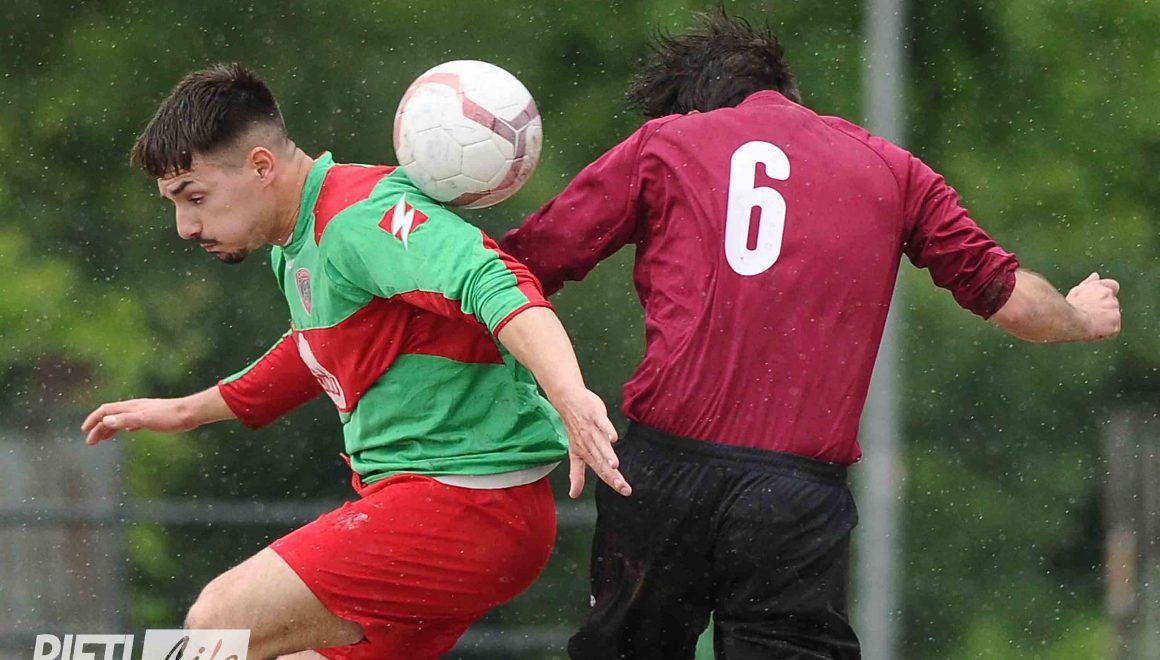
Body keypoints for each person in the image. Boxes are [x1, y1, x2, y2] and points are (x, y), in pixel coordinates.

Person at [499, 13, 1122, 660]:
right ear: (787, 91)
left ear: (696, 107)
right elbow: (1008, 299)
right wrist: (1078, 315)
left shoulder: (666, 143)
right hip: (792, 498)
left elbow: (521, 265)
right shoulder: (896, 171)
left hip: (662, 475)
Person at [81, 63, 630, 660]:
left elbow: (494, 281)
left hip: (470, 505)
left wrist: (569, 394)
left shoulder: (358, 217)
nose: (185, 227)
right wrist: (188, 411)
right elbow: (316, 348)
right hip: (445, 508)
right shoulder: (296, 242)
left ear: (261, 166)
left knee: (219, 621)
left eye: (195, 198)